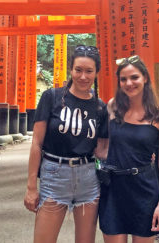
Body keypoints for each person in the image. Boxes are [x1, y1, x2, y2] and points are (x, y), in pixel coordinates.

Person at [23, 45, 109, 243]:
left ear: (96, 73)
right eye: (78, 70)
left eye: (89, 71)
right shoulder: (51, 97)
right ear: (71, 69)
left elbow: (102, 150)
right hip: (54, 175)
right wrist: (31, 187)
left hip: (88, 178)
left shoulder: (100, 107)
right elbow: (37, 143)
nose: (83, 76)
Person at [98, 55, 159, 243]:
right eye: (123, 79)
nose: (129, 83)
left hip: (144, 189)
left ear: (145, 78)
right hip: (113, 188)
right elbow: (105, 146)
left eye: (134, 77)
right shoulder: (113, 106)